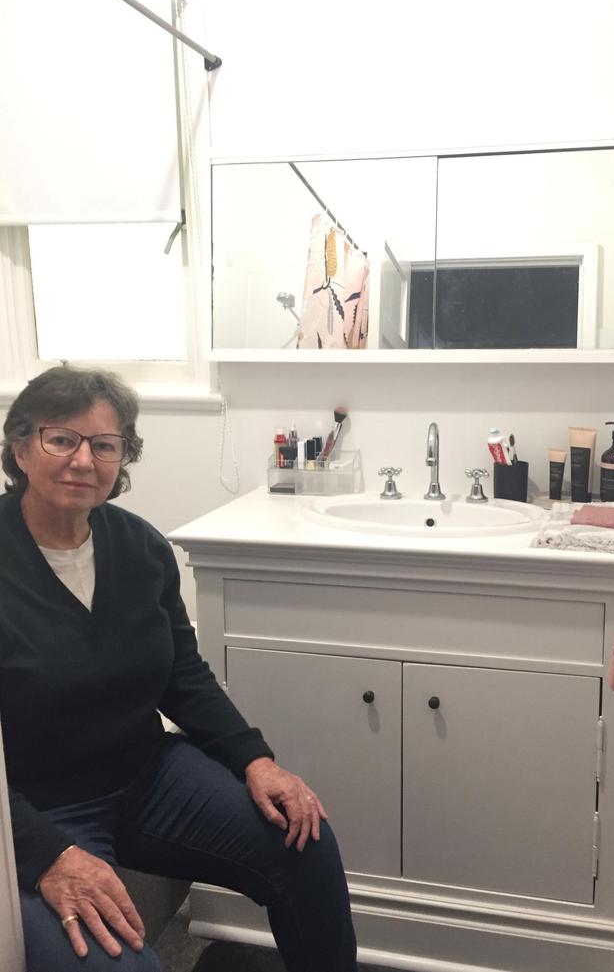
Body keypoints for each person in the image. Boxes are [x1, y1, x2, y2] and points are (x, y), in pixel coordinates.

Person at [0, 365, 358, 972]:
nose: (83, 460)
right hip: (32, 807)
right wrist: (47, 853)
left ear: (123, 459)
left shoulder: (141, 547)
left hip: (146, 777)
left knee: (305, 842)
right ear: (20, 447)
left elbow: (182, 674)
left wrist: (255, 759)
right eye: (61, 438)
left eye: (104, 445)